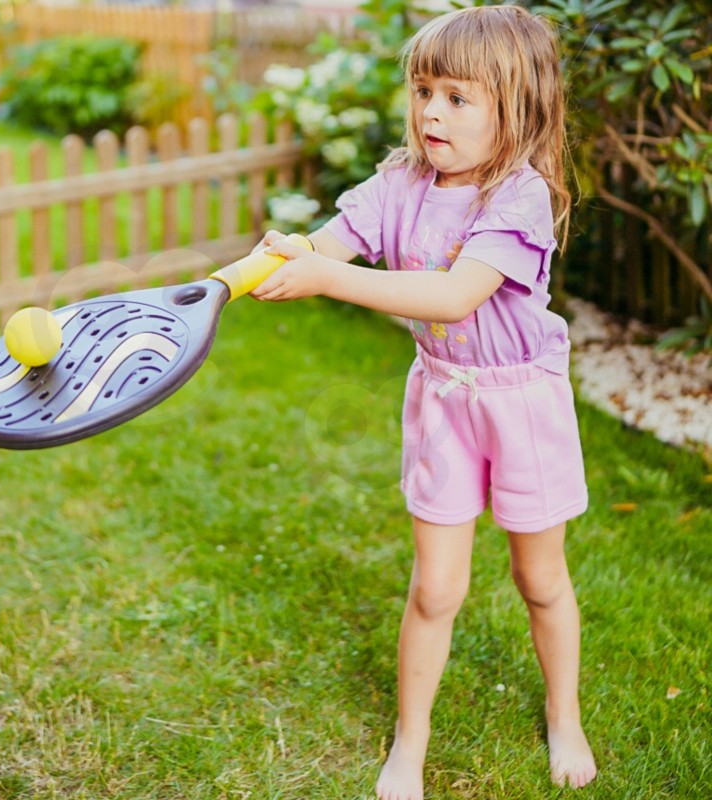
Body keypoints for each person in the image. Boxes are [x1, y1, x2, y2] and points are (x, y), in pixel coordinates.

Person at [250, 5, 597, 797]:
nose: (431, 111)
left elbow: (453, 297)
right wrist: (293, 255)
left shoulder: (520, 196)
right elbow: (332, 241)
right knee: (435, 587)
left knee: (540, 579)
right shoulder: (400, 181)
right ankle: (411, 743)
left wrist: (330, 279)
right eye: (423, 90)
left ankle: (564, 713)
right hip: (442, 401)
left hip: (522, 409)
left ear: (518, 107)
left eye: (457, 97)